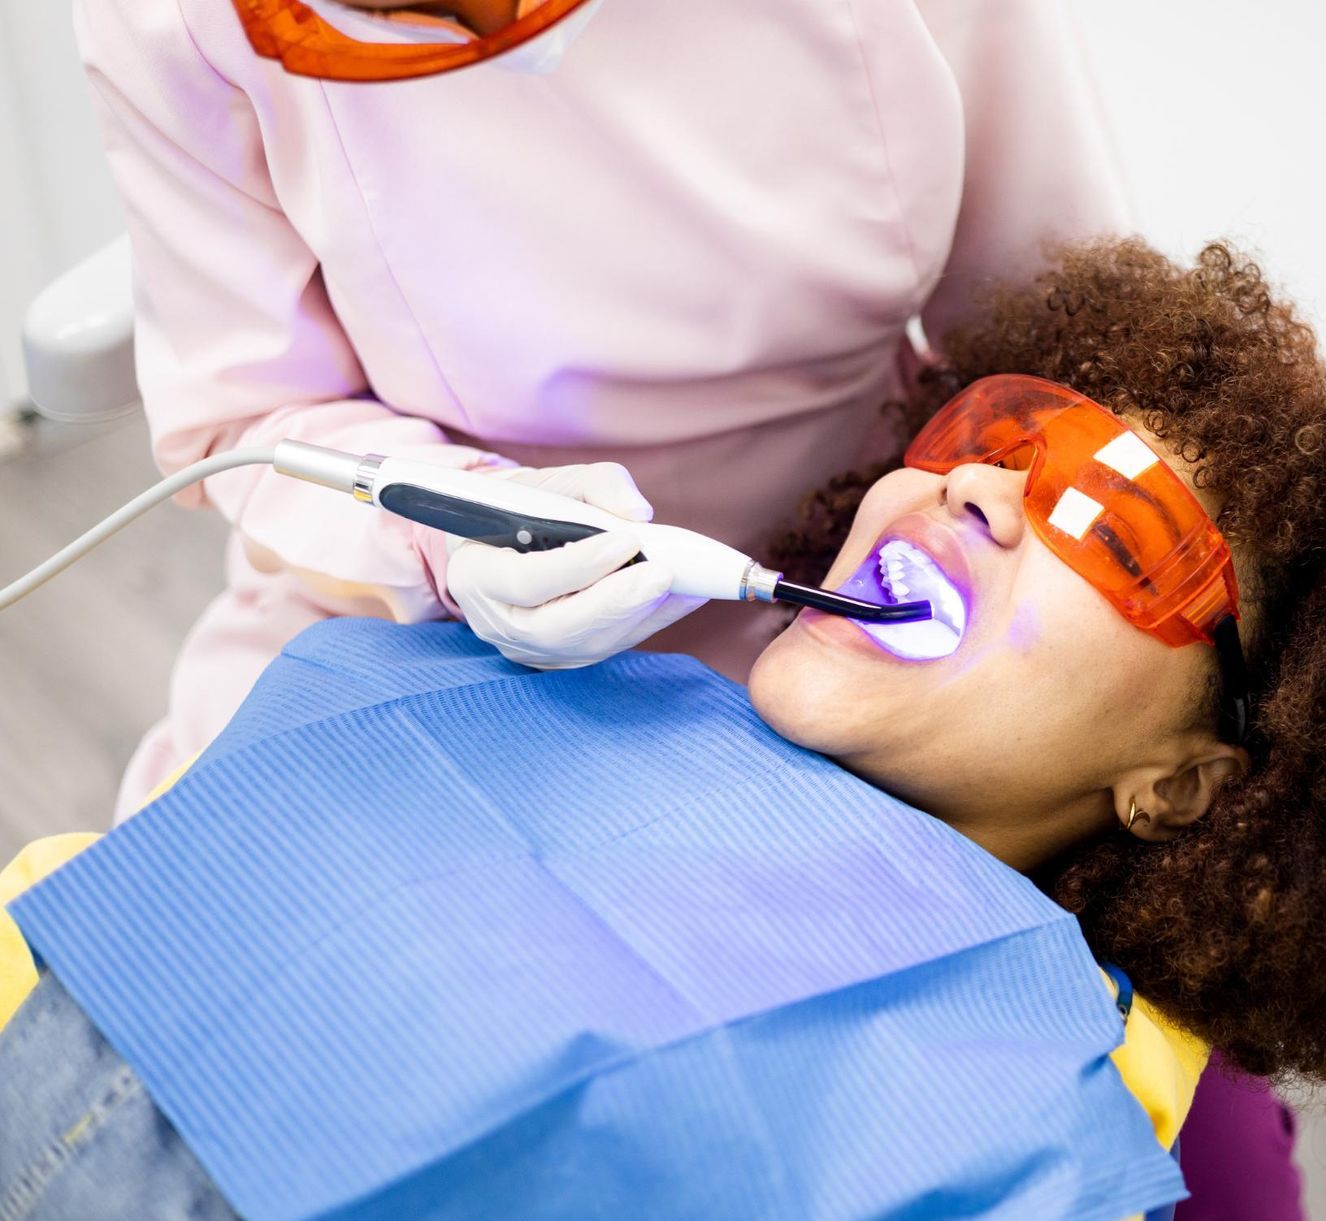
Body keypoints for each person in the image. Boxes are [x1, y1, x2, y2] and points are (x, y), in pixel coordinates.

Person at [1, 239, 1326, 1216]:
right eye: (998, 435)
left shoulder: (1160, 1111)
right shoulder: (539, 684)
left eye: (1120, 533)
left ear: (1187, 778)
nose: (981, 485)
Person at [79, 0, 1131, 815]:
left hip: (851, 557)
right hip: (415, 616)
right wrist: (449, 528)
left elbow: (1070, 347)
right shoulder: (178, 25)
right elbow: (247, 419)